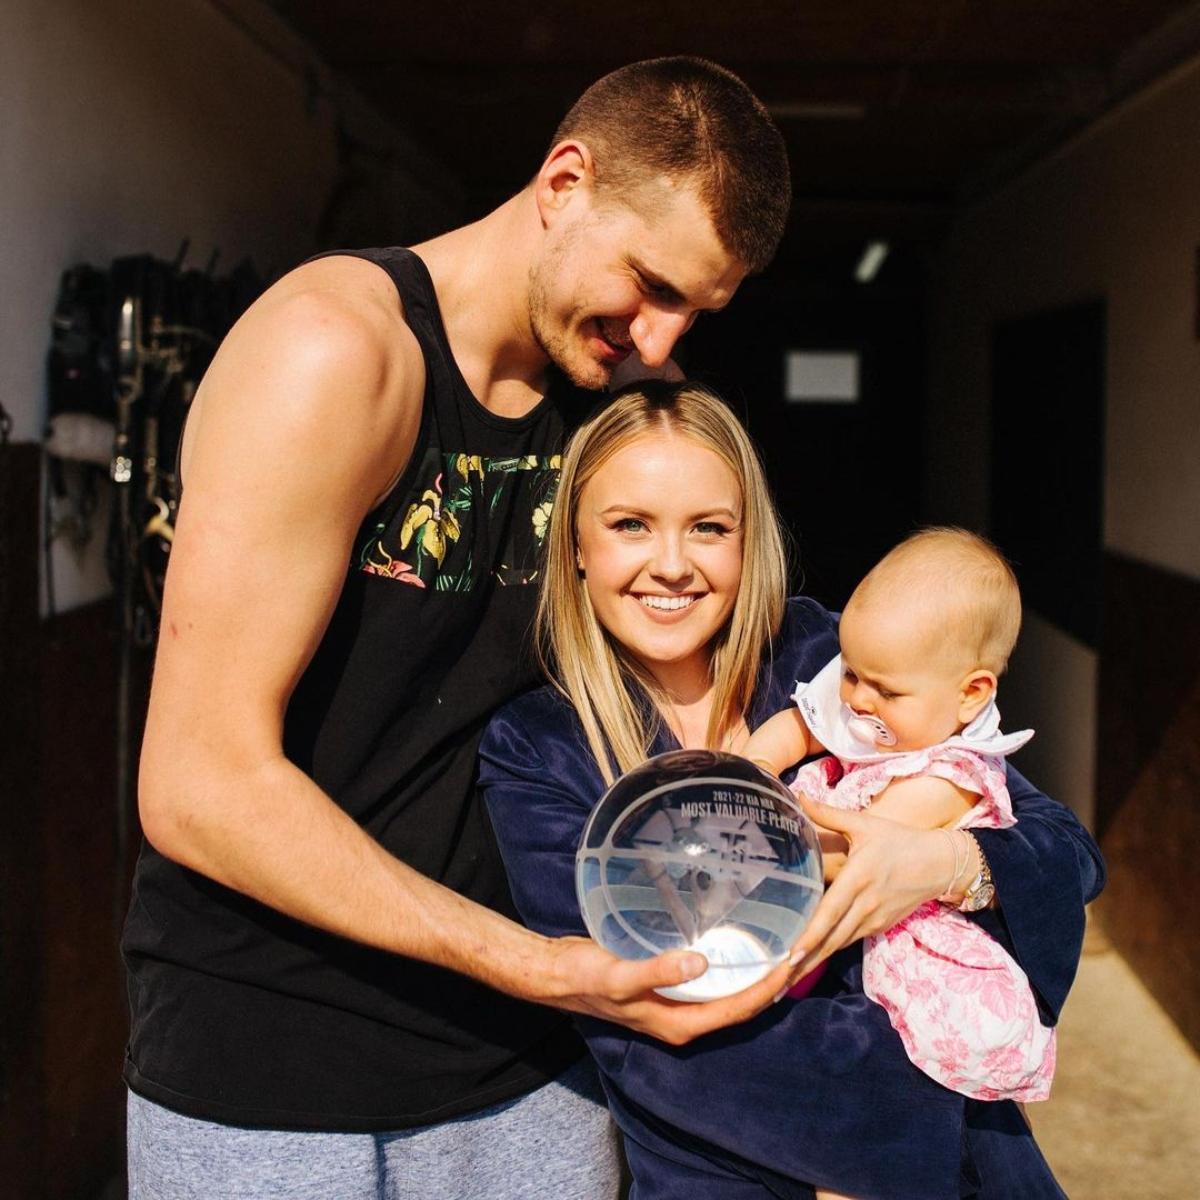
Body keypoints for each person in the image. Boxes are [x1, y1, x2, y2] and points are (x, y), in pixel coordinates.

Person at [122, 57, 797, 1199]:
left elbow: (752, 654)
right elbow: (197, 783)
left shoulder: (604, 398)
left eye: (696, 310)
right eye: (650, 283)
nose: (660, 339)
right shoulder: (339, 353)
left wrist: (934, 825)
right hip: (277, 1074)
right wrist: (539, 968)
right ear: (565, 180)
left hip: (533, 1073)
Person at [479, 381, 1103, 1199]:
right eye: (630, 524)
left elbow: (1062, 849)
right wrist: (926, 1102)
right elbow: (650, 1027)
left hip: (977, 1166)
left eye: (709, 527)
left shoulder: (822, 656)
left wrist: (939, 863)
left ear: (749, 539)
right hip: (745, 1161)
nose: (672, 564)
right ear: (575, 547)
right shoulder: (539, 746)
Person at [744, 528, 1056, 1113]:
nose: (858, 700)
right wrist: (754, 766)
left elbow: (851, 852)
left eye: (882, 688)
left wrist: (755, 843)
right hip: (832, 918)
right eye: (852, 674)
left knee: (886, 1094)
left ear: (971, 694)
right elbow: (806, 725)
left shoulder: (951, 775)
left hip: (904, 939)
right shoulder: (876, 699)